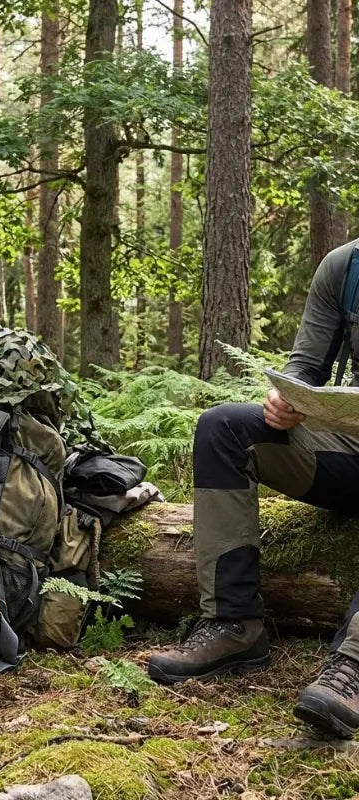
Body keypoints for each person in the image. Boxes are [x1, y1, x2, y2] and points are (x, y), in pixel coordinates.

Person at [147, 239, 359, 739]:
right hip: (347, 454)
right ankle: (233, 625)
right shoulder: (344, 268)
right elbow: (306, 366)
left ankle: (352, 667)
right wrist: (285, 398)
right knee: (224, 429)